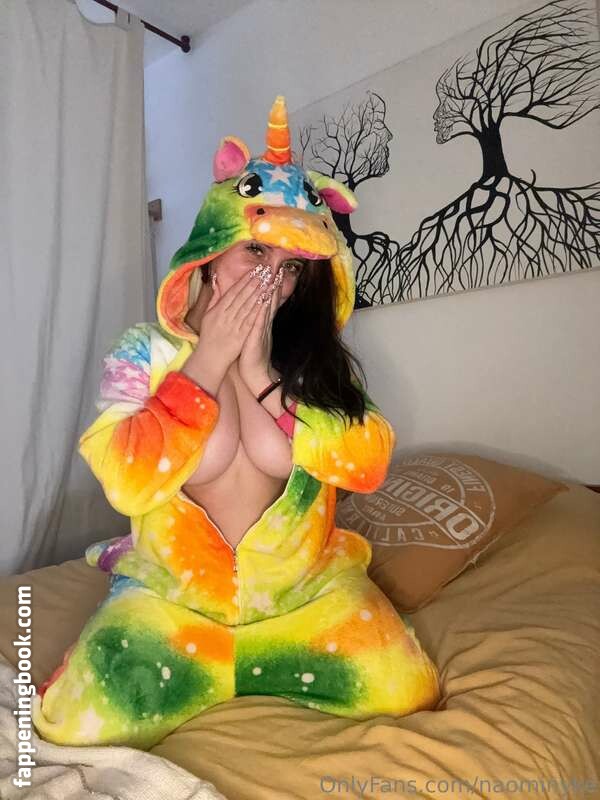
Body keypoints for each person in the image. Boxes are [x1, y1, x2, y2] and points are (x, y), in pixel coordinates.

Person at [32, 97, 440, 749]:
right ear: (211, 252)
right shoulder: (145, 351)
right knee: (71, 722)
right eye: (255, 251)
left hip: (302, 601)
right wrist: (208, 361)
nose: (271, 281)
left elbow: (365, 464)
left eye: (290, 267)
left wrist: (258, 374)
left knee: (406, 687)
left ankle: (262, 662)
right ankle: (136, 590)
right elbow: (125, 480)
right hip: (175, 606)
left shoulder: (316, 364)